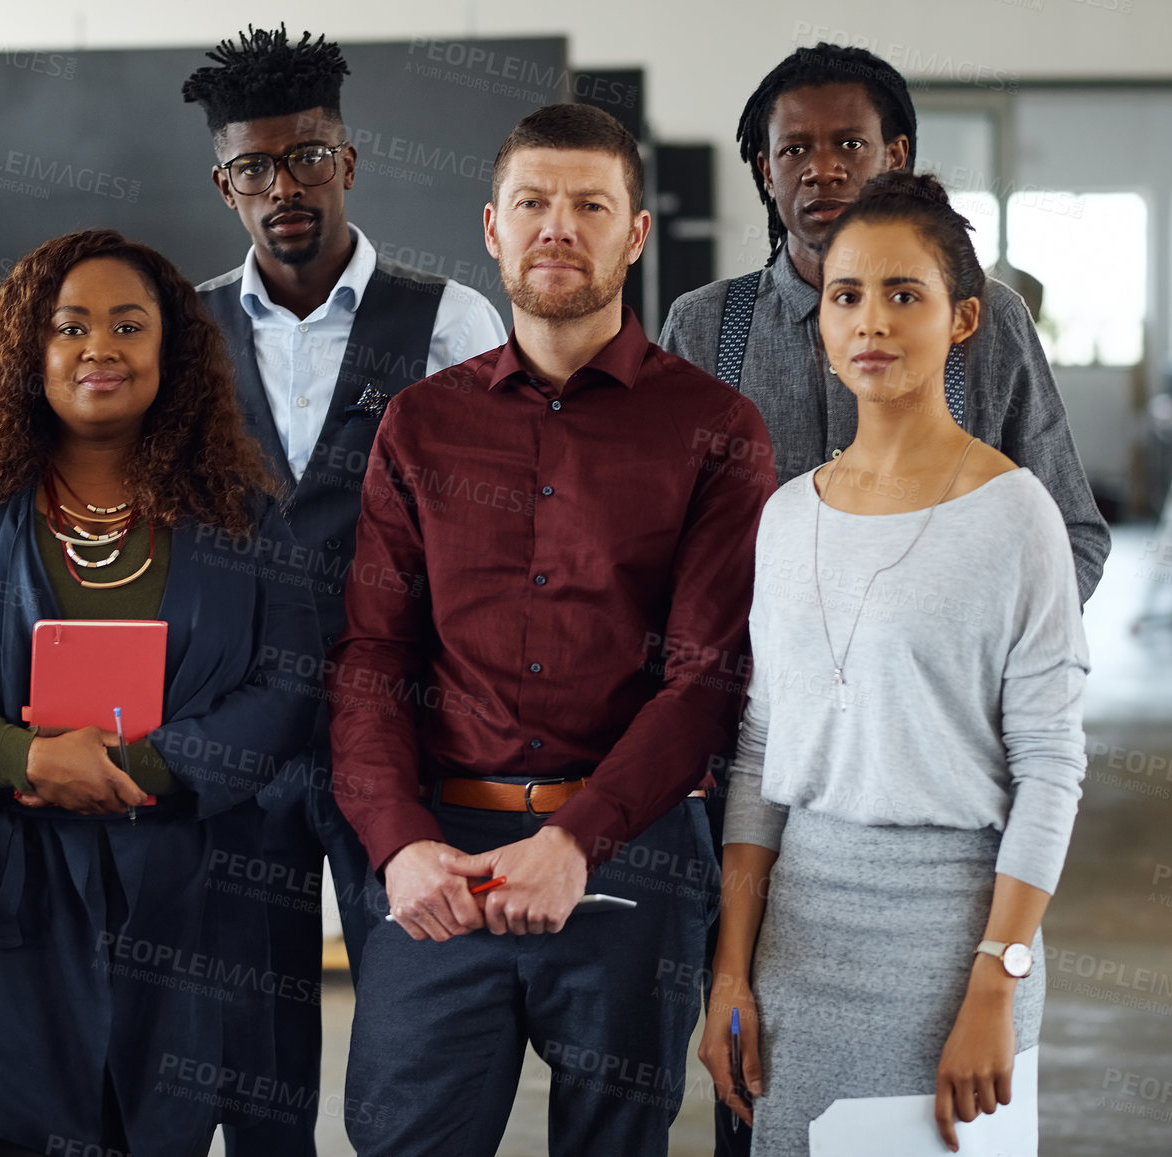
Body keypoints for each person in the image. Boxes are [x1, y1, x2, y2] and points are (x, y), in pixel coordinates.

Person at [330, 103, 775, 1157]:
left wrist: (577, 839)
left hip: (629, 864)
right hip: (440, 858)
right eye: (532, 202)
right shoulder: (422, 422)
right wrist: (396, 845)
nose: (556, 227)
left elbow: (706, 680)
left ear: (633, 234)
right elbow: (371, 658)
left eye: (589, 204)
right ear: (492, 227)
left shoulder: (715, 427)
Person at [0, 229, 322, 1157]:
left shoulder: (242, 510)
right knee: (19, 1125)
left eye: (127, 324)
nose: (97, 348)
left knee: (167, 1127)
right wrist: (25, 758)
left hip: (190, 876)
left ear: (171, 350)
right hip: (10, 880)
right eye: (68, 326)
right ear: (29, 349)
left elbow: (290, 683)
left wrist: (139, 769)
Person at [698, 172, 1088, 1157]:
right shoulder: (786, 517)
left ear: (962, 319)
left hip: (952, 947)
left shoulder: (1015, 516)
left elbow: (1048, 761)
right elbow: (758, 751)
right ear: (821, 321)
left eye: (902, 293)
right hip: (798, 943)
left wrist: (995, 978)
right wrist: (732, 968)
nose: (870, 321)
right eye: (845, 294)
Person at [181, 25, 507, 1153]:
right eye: (254, 169)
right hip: (235, 737)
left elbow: (490, 554)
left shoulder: (452, 323)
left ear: (347, 159)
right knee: (252, 1052)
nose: (285, 189)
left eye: (307, 158)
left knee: (417, 1033)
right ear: (224, 184)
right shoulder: (182, 336)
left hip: (403, 736)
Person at [659, 43, 1107, 606]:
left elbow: (1072, 532)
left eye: (850, 143)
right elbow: (661, 536)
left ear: (895, 156)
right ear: (766, 170)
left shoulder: (986, 318)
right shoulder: (703, 325)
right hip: (756, 687)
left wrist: (985, 657)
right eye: (794, 149)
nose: (822, 168)